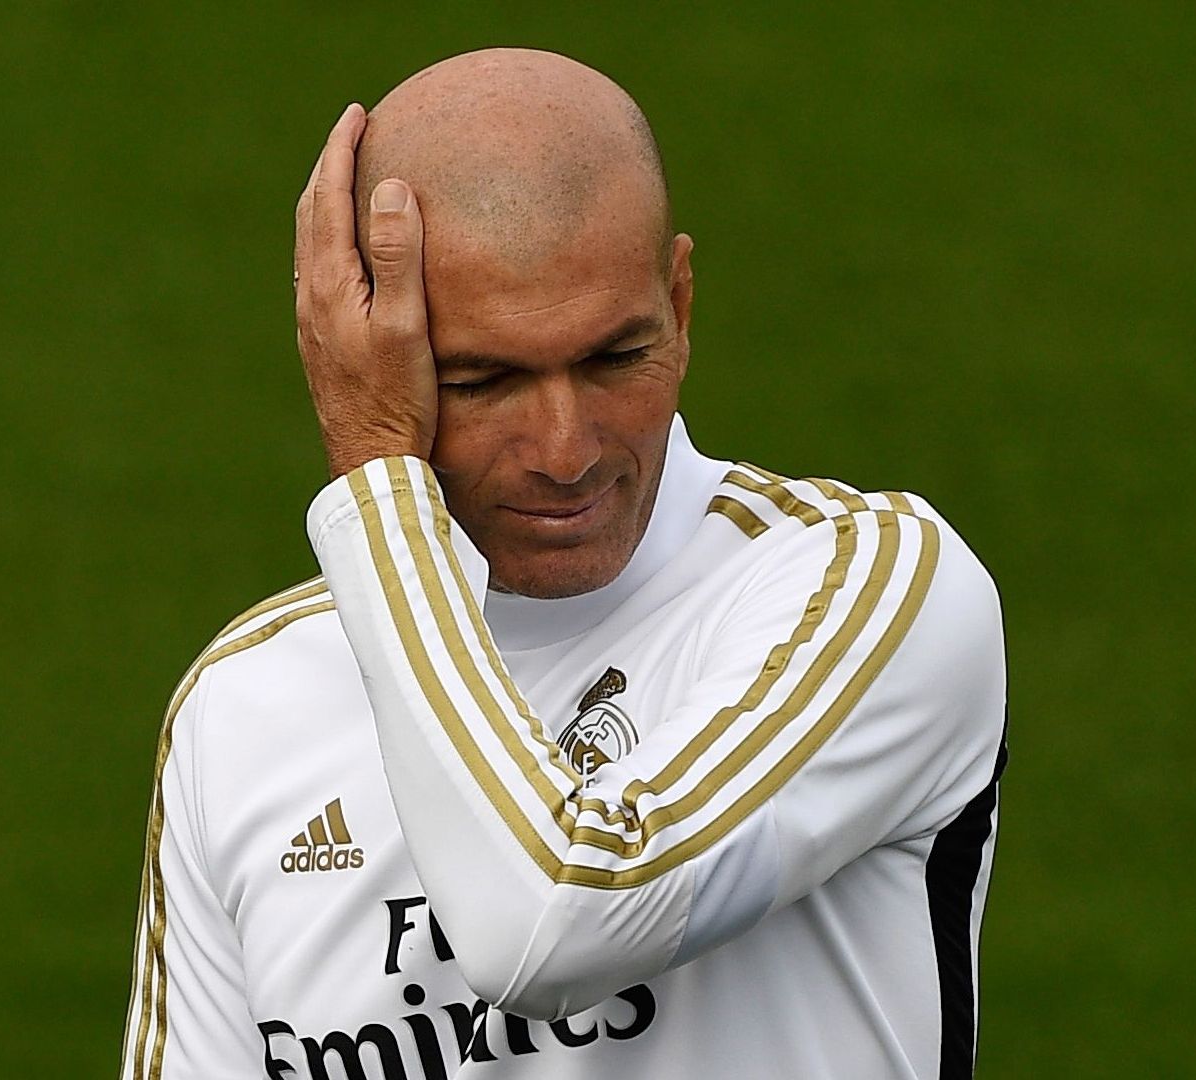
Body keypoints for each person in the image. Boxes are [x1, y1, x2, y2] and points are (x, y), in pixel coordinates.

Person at [120, 47, 1007, 1080]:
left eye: (614, 359)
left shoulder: (870, 589)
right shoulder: (245, 708)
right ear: (363, 355)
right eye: (484, 379)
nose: (567, 450)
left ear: (680, 304)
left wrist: (376, 471)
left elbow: (554, 920)